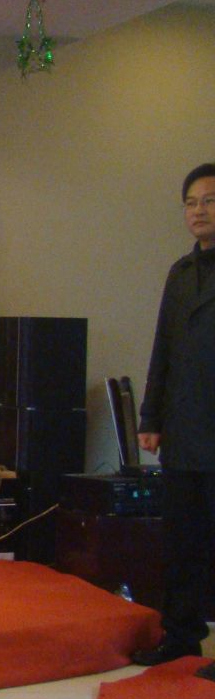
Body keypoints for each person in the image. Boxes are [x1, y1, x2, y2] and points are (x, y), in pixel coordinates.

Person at [133, 162, 215, 667]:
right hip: (184, 429)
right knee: (183, 540)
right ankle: (182, 633)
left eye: (209, 200)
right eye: (191, 202)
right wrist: (150, 418)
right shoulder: (181, 273)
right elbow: (162, 348)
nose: (198, 211)